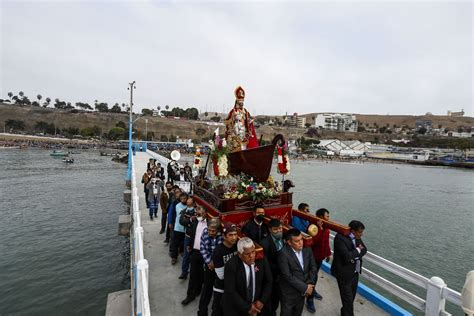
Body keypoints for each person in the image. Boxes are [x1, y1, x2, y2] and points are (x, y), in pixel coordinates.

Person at [221, 237, 273, 316]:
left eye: (253, 252)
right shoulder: (231, 265)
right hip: (237, 308)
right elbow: (231, 290)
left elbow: (269, 281)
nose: (251, 256)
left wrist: (262, 301)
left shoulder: (261, 260)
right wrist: (248, 307)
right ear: (239, 254)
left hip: (258, 306)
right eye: (247, 254)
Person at [331, 220, 367, 316]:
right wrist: (358, 249)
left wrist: (354, 253)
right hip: (344, 275)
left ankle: (344, 313)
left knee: (351, 299)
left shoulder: (357, 237)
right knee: (348, 301)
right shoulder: (340, 237)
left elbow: (365, 249)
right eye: (360, 232)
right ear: (352, 231)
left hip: (355, 273)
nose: (362, 234)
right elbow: (347, 256)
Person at [278, 228, 317, 316]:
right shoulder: (283, 254)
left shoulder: (307, 249)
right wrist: (305, 288)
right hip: (289, 293)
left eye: (301, 239)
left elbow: (313, 267)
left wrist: (309, 285)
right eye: (297, 241)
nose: (301, 243)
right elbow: (287, 275)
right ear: (289, 242)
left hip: (303, 291)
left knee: (298, 313)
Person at [211, 223, 239, 316]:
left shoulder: (237, 247)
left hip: (234, 288)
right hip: (221, 288)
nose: (234, 237)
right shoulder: (218, 251)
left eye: (235, 234)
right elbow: (221, 275)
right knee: (217, 311)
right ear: (223, 236)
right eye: (230, 235)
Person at [181, 205, 208, 306]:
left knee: (201, 274)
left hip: (205, 254)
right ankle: (190, 295)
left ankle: (198, 290)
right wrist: (189, 245)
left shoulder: (209, 224)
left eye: (200, 210)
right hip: (195, 252)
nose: (197, 212)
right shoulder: (195, 221)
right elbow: (192, 233)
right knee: (193, 274)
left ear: (205, 212)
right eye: (197, 210)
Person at [198, 218, 223, 316]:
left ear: (217, 230)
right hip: (209, 265)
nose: (210, 232)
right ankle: (202, 312)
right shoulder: (205, 232)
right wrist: (209, 262)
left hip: (219, 267)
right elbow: (202, 247)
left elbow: (221, 251)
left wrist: (215, 263)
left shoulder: (222, 236)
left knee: (218, 291)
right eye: (209, 230)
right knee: (206, 289)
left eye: (213, 231)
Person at [260, 218, 284, 316]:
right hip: (272, 277)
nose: (279, 231)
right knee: (270, 298)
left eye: (280, 229)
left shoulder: (284, 239)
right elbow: (266, 264)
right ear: (270, 230)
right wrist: (281, 268)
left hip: (282, 277)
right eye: (275, 229)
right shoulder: (265, 244)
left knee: (277, 297)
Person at [224, 86, 258, 152]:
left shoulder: (246, 112)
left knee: (245, 150)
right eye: (239, 102)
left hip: (244, 135)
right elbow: (228, 123)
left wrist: (250, 122)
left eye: (242, 102)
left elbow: (249, 122)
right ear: (236, 102)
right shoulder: (233, 112)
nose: (241, 104)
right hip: (235, 136)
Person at [311, 208, 331, 301]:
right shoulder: (313, 227)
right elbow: (314, 242)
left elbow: (326, 242)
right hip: (313, 257)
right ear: (320, 217)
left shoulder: (326, 228)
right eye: (327, 216)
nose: (329, 218)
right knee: (312, 276)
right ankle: (309, 298)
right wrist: (320, 228)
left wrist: (328, 254)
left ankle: (312, 291)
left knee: (315, 275)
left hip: (320, 256)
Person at [178, 196, 196, 279]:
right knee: (186, 255)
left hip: (195, 237)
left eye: (189, 199)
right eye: (188, 199)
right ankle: (184, 272)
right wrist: (190, 221)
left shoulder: (196, 211)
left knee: (193, 256)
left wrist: (188, 222)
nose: (188, 200)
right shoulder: (184, 211)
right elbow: (181, 221)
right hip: (187, 236)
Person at [170, 192, 188, 265]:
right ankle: (174, 257)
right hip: (178, 228)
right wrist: (190, 207)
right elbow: (182, 212)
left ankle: (182, 252)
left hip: (185, 229)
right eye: (181, 199)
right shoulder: (178, 206)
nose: (183, 200)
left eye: (184, 198)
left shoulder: (189, 206)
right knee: (175, 243)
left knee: (183, 243)